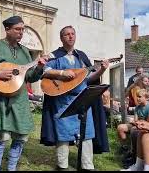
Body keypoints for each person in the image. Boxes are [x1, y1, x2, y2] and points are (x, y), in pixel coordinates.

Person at [0, 15, 48, 171]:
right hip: (1, 99)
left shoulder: (24, 51)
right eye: (18, 29)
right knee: (1, 137)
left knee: (21, 136)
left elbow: (28, 76)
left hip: (20, 99)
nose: (21, 32)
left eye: (23, 29)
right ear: (7, 29)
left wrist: (39, 68)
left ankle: (12, 168)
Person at [40, 25, 109, 170]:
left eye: (72, 34)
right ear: (61, 38)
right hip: (62, 101)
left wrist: (102, 69)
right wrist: (61, 74)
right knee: (63, 134)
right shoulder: (54, 56)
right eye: (67, 34)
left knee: (87, 132)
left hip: (83, 99)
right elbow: (44, 71)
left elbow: (88, 78)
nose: (70, 36)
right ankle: (62, 165)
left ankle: (87, 166)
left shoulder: (81, 56)